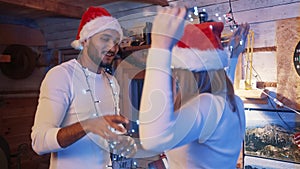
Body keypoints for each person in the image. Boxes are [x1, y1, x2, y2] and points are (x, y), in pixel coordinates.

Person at [138, 7, 248, 168]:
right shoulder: (233, 103)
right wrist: (233, 56)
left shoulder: (209, 105)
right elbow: (225, 82)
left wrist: (160, 49)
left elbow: (153, 139)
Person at [31, 6, 137, 169]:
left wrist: (123, 138)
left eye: (116, 42)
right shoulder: (61, 76)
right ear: (85, 40)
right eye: (105, 39)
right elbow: (39, 142)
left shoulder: (111, 81)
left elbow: (105, 132)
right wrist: (87, 125)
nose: (113, 48)